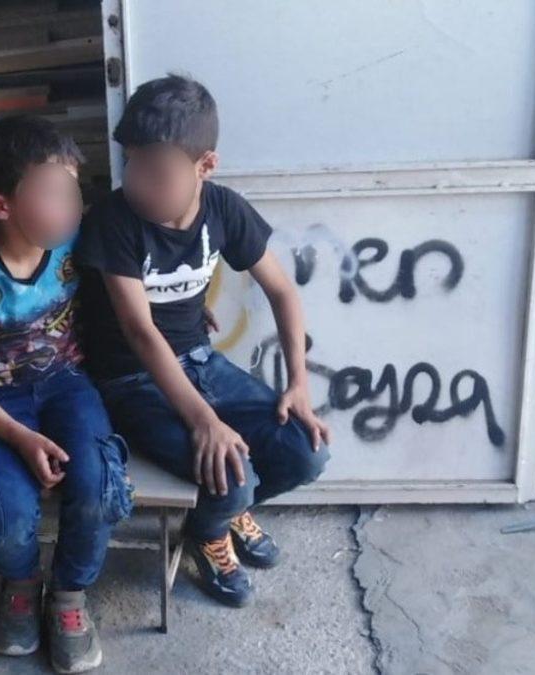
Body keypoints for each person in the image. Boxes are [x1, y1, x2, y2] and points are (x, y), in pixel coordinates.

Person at [74, 74, 332, 608]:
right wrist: (204, 421)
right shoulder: (113, 221)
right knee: (233, 476)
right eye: (132, 164)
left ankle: (219, 514)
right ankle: (214, 526)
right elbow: (140, 332)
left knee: (307, 452)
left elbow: (283, 292)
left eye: (157, 172)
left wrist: (298, 385)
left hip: (200, 361)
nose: (138, 183)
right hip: (131, 379)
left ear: (205, 165)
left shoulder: (224, 210)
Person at [0, 115, 132, 673]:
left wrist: (179, 315)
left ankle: (69, 594)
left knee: (98, 482)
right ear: (1, 206)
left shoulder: (77, 241)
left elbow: (133, 277)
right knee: (5, 507)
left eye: (73, 190)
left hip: (68, 384)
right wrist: (19, 437)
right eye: (51, 193)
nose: (71, 206)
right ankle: (21, 584)